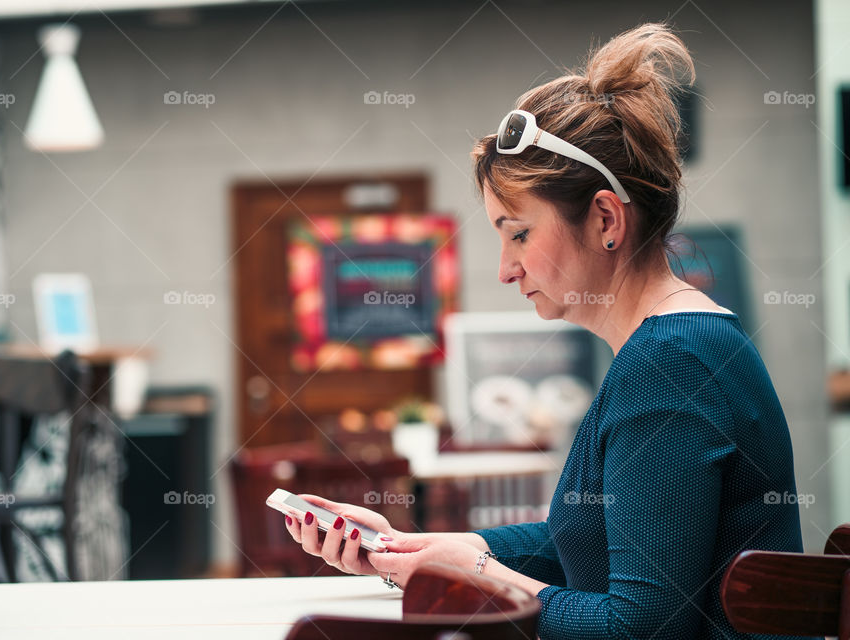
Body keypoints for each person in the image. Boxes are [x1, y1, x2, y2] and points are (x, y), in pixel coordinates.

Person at [284, 23, 811, 639]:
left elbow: (639, 630)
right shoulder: (688, 342)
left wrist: (480, 574)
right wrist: (419, 550)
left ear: (606, 218)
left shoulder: (670, 363)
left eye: (520, 233)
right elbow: (595, 546)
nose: (507, 269)